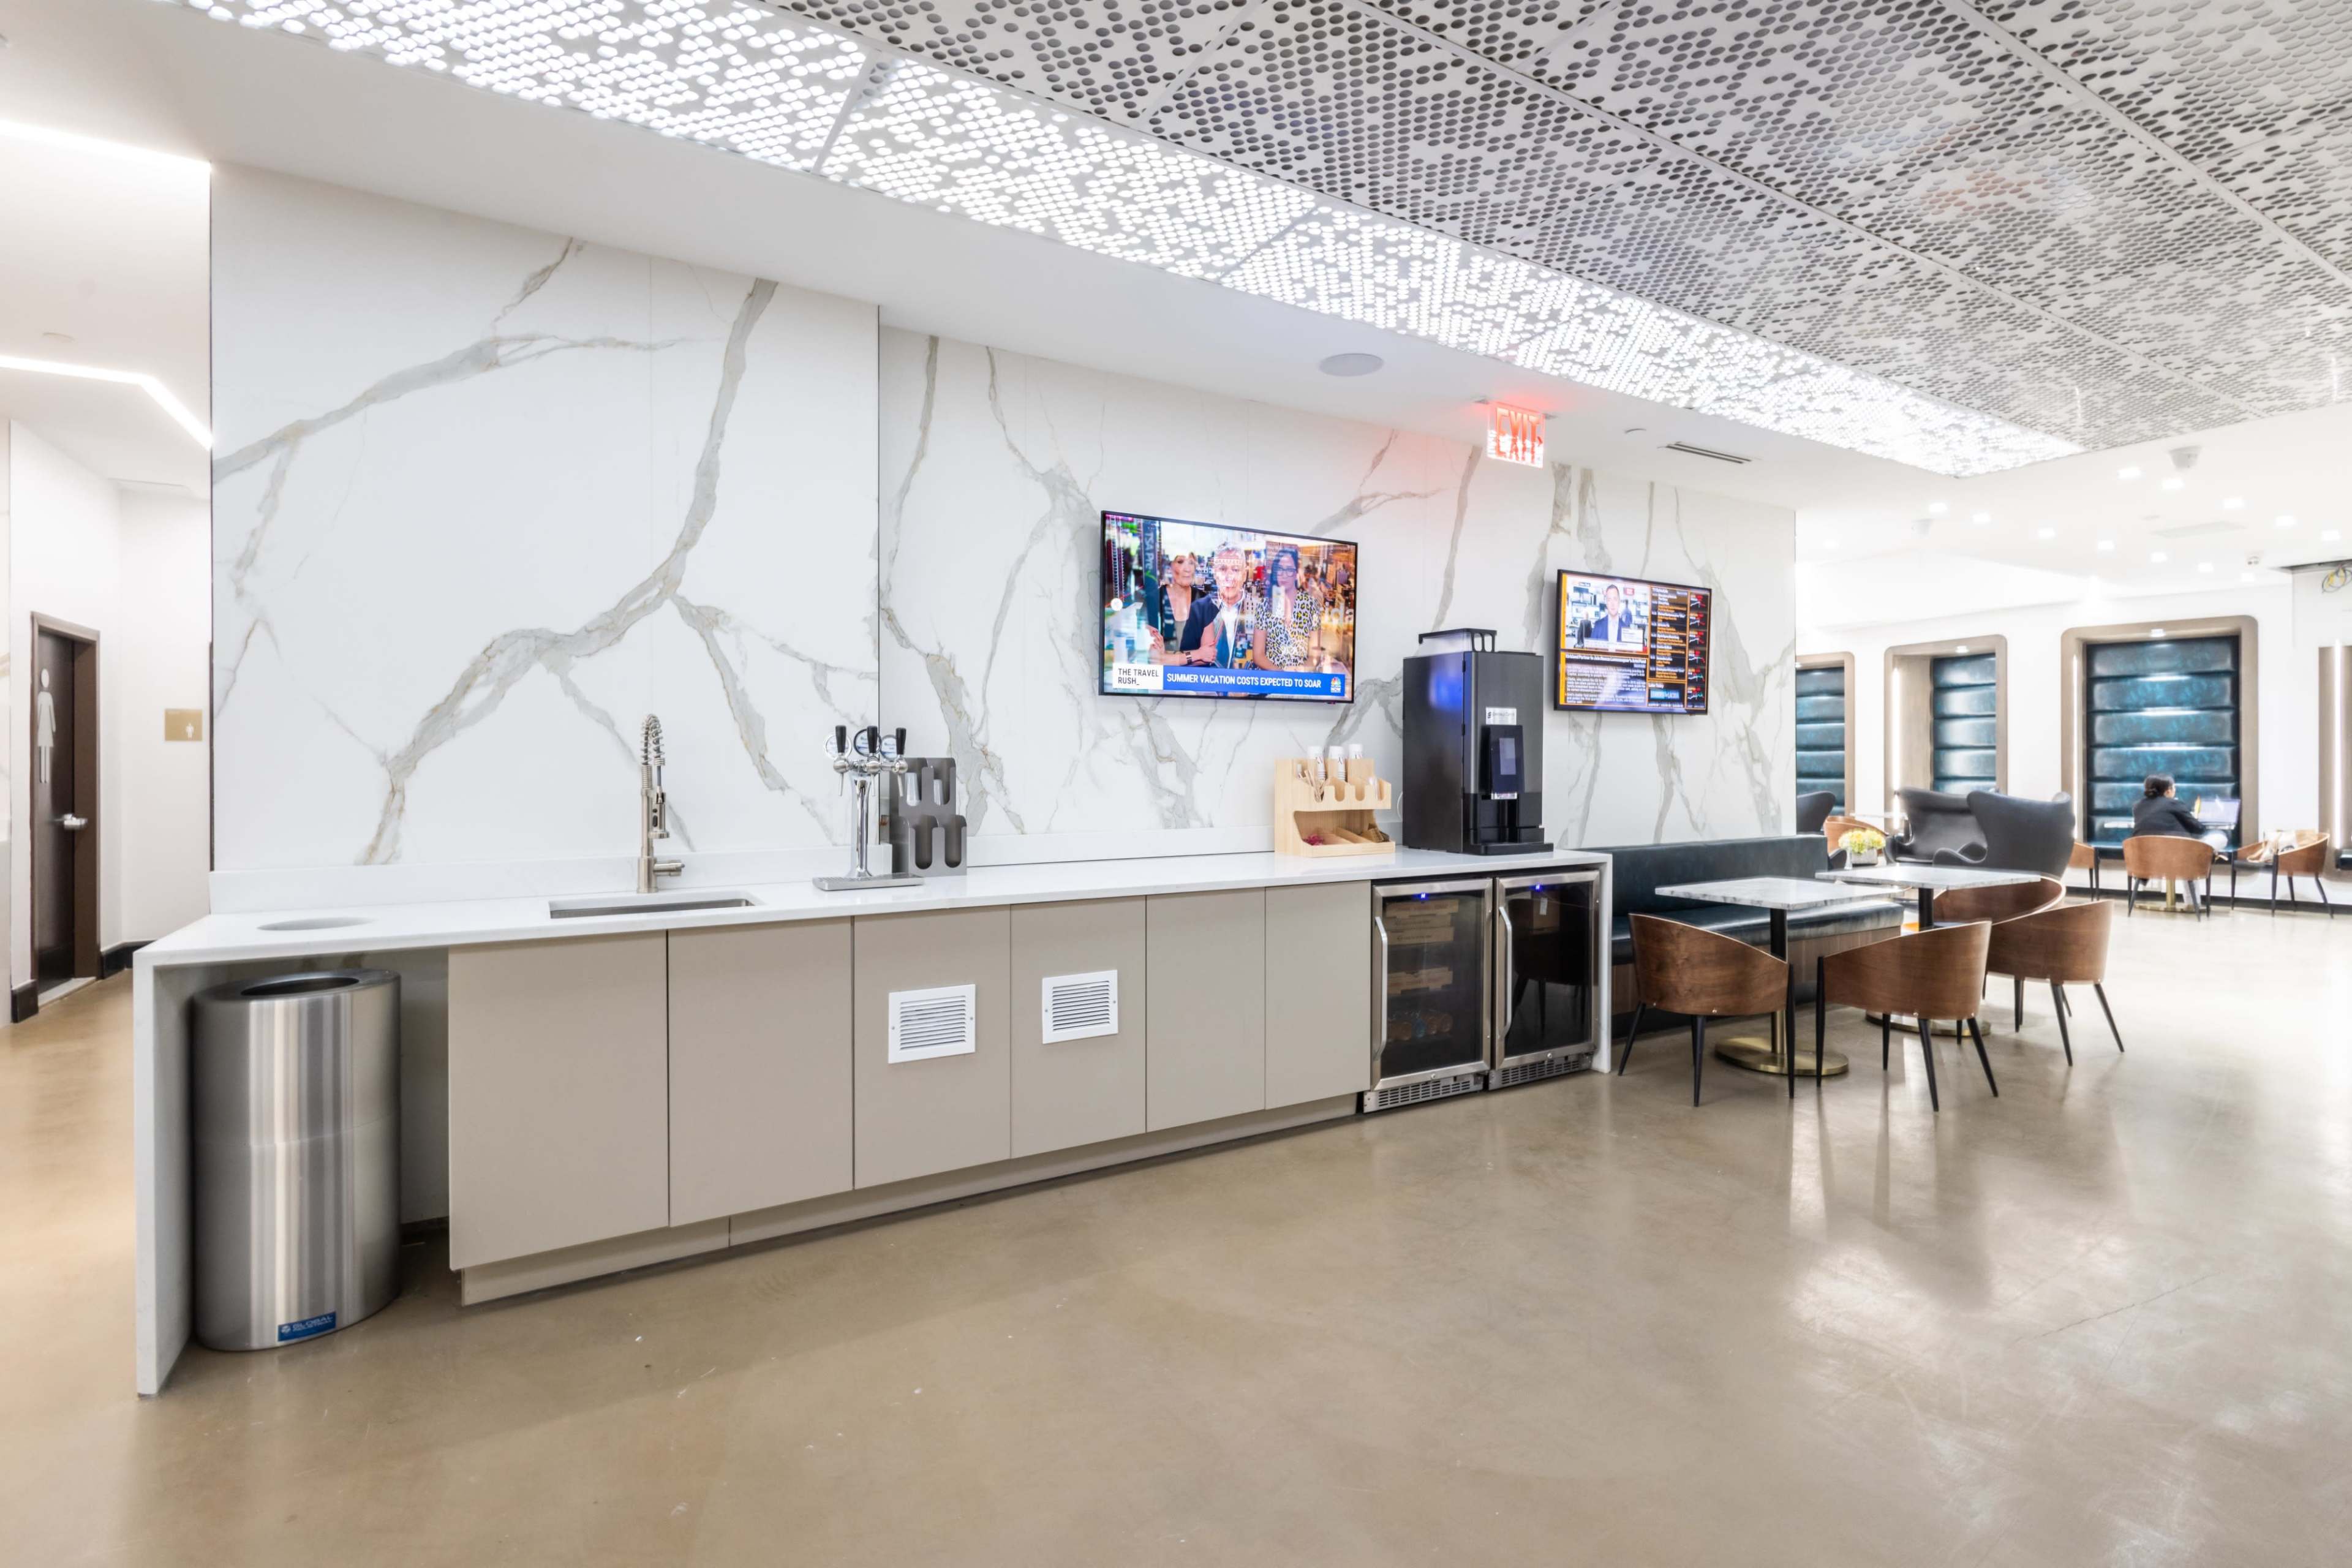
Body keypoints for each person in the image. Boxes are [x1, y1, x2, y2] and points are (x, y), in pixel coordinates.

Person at [2133, 772, 2226, 907]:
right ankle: (2192, 904)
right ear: (2168, 791)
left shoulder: (2137, 806)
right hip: (2178, 859)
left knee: (2185, 851)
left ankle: (2207, 856)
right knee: (2219, 837)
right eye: (2174, 787)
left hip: (2145, 861)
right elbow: (2199, 829)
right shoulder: (2174, 804)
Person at [1177, 545, 1257, 668]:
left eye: (1235, 570)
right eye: (1223, 569)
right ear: (1215, 574)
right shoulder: (1199, 609)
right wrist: (1199, 655)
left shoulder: (1258, 610)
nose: (1229, 577)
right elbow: (1184, 661)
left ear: (1244, 575)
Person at [1251, 545, 1324, 671]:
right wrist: (1283, 675)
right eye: (1280, 569)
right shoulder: (1265, 605)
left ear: (1296, 574)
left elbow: (1314, 656)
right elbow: (1258, 656)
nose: (1284, 575)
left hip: (1300, 678)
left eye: (1289, 570)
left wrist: (1298, 674)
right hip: (1272, 677)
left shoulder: (1311, 605)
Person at [1148, 552, 1213, 663]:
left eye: (1191, 563)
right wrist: (1198, 654)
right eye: (1180, 562)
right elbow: (1155, 659)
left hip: (1196, 673)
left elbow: (1208, 657)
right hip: (1163, 674)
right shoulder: (1153, 600)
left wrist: (1168, 656)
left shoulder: (1204, 601)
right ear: (1169, 566)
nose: (1187, 569)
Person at [1580, 581, 1640, 647]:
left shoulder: (1626, 628)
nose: (1612, 604)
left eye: (1615, 599)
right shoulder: (1598, 626)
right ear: (1606, 603)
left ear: (1619, 602)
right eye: (1609, 600)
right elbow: (1591, 650)